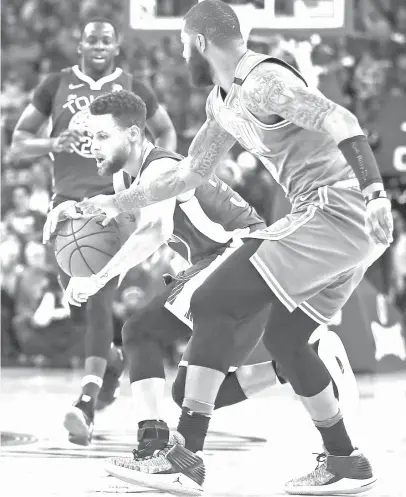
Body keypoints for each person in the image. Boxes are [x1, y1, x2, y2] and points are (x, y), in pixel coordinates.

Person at [78, 1, 393, 494]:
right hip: (333, 226)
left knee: (212, 300)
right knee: (288, 343)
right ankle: (346, 460)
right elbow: (189, 174)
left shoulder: (264, 80)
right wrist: (117, 202)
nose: (181, 52)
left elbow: (340, 117)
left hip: (337, 209)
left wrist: (375, 192)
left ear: (199, 42)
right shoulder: (222, 101)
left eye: (184, 43)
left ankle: (185, 458)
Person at [64, 91, 359, 480]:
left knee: (140, 330)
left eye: (102, 136)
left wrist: (98, 278)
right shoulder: (124, 177)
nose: (92, 146)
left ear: (133, 135)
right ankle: (296, 363)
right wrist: (79, 236)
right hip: (214, 260)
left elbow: (155, 230)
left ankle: (156, 448)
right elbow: (120, 237)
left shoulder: (160, 169)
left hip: (240, 251)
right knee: (186, 391)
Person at [10, 17, 177, 446]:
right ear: (80, 44)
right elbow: (17, 142)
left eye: (106, 39)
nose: (98, 45)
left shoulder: (133, 85)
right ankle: (113, 363)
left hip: (113, 203)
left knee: (96, 291)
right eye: (91, 39)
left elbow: (166, 131)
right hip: (65, 208)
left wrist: (149, 182)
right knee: (79, 300)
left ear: (117, 45)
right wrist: (54, 144)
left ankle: (85, 400)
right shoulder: (56, 84)